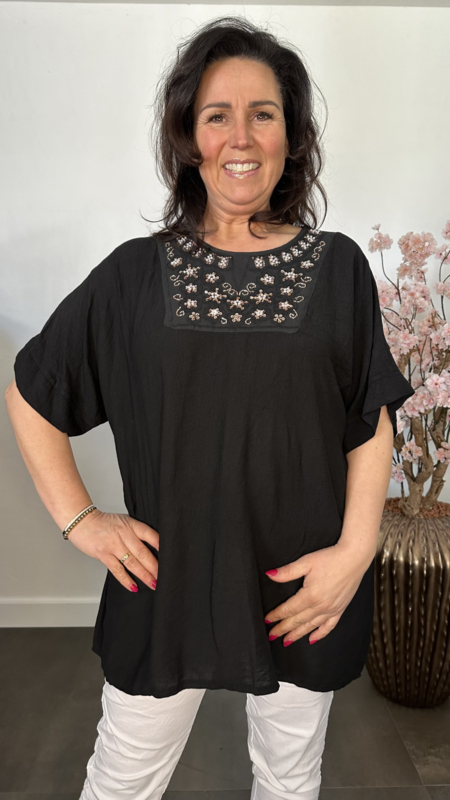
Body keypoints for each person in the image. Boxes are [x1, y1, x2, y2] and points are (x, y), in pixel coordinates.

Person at [5, 15, 415, 800]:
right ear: (189, 138)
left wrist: (354, 555)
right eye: (217, 115)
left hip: (305, 587)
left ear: (291, 136)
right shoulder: (133, 275)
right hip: (169, 585)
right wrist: (81, 520)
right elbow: (32, 391)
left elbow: (369, 419)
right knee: (122, 780)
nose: (242, 137)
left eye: (264, 114)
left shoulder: (338, 268)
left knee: (290, 778)